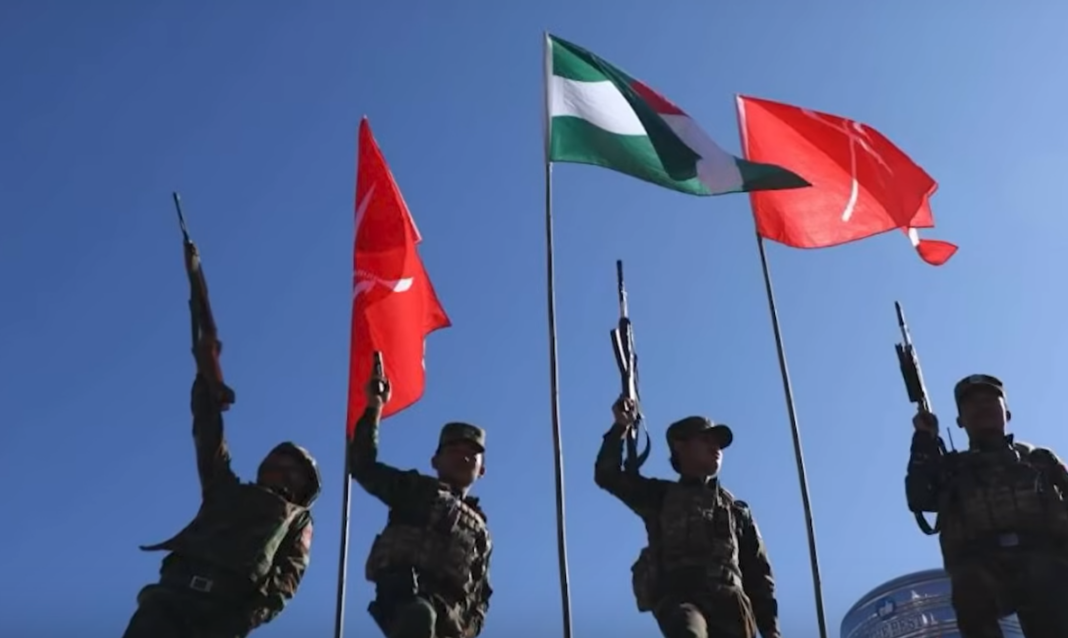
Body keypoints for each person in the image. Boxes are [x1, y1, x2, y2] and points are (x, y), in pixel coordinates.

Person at [121, 374, 321, 638]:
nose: (282, 467)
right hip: (169, 599)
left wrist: (248, 616)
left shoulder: (297, 518)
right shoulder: (226, 489)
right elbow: (209, 438)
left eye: (292, 466)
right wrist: (207, 386)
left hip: (223, 611)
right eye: (280, 460)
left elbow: (287, 576)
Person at [595, 396, 781, 638]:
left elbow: (759, 575)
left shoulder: (737, 510)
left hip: (732, 608)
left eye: (718, 444)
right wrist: (620, 427)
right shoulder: (660, 496)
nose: (716, 449)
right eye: (705, 440)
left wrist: (771, 630)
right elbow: (607, 475)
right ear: (680, 445)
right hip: (681, 598)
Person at [906, 373, 1068, 638]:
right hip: (981, 565)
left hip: (1044, 559)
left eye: (991, 401)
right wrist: (924, 438)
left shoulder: (1039, 459)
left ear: (1007, 413)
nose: (982, 407)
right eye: (972, 403)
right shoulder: (951, 468)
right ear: (960, 420)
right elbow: (919, 497)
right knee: (971, 592)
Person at [350, 359, 493, 638]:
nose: (464, 457)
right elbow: (363, 466)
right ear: (435, 461)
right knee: (419, 616)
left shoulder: (482, 531)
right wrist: (375, 406)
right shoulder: (416, 489)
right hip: (406, 596)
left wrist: (470, 627)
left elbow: (481, 592)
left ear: (482, 470)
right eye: (454, 450)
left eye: (472, 454)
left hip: (451, 618)